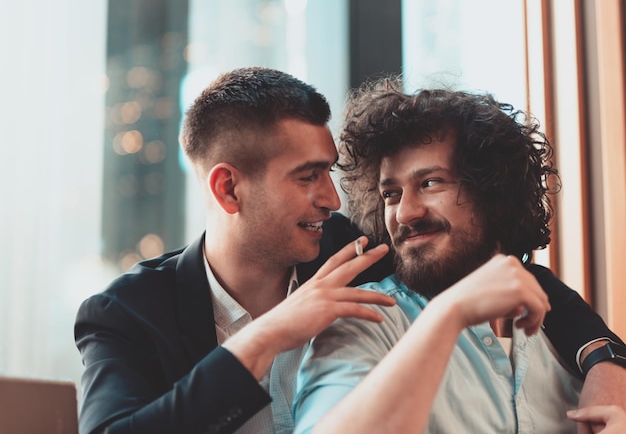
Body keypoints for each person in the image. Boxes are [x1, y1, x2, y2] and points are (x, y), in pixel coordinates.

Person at [75, 67, 620, 434]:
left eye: (330, 174)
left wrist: (603, 357)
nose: (332, 199)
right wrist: (273, 331)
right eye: (308, 177)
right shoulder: (125, 314)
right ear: (228, 189)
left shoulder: (345, 245)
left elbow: (492, 260)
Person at [292, 79, 626, 433]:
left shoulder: (569, 340)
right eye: (391, 193)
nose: (404, 213)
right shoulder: (362, 324)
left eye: (430, 183)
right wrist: (449, 313)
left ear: (492, 192)